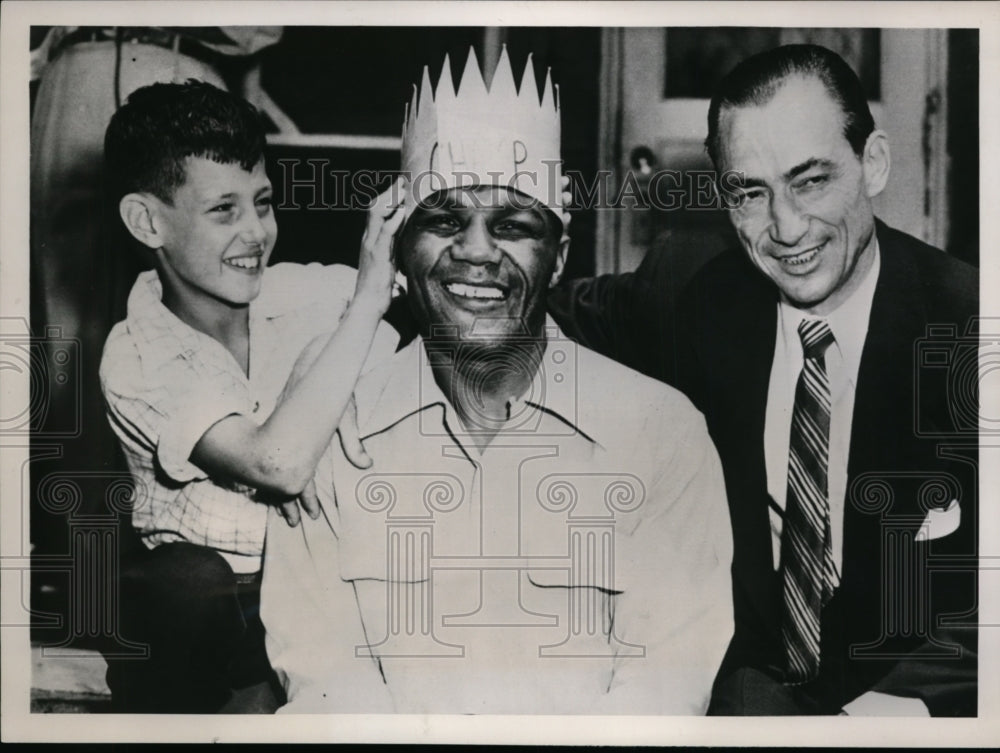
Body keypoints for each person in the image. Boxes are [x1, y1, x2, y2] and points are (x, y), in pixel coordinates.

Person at [261, 47, 734, 714]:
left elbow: (665, 686)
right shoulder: (335, 437)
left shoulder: (662, 435)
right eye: (445, 220)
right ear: (398, 244)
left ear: (559, 256)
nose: (477, 252)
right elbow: (324, 683)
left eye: (512, 225)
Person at [548, 44, 978, 716]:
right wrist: (376, 292)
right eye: (750, 191)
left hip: (914, 702)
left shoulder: (971, 328)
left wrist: (897, 710)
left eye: (810, 181)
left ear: (874, 164)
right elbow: (507, 311)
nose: (785, 228)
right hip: (751, 692)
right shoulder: (690, 288)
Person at [98, 80, 402, 712]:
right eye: (223, 210)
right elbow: (276, 463)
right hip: (210, 617)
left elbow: (418, 320)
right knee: (181, 580)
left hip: (314, 589)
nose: (255, 232)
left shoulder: (302, 294)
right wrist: (361, 317)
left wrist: (335, 370)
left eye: (261, 203)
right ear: (146, 221)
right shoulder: (135, 356)